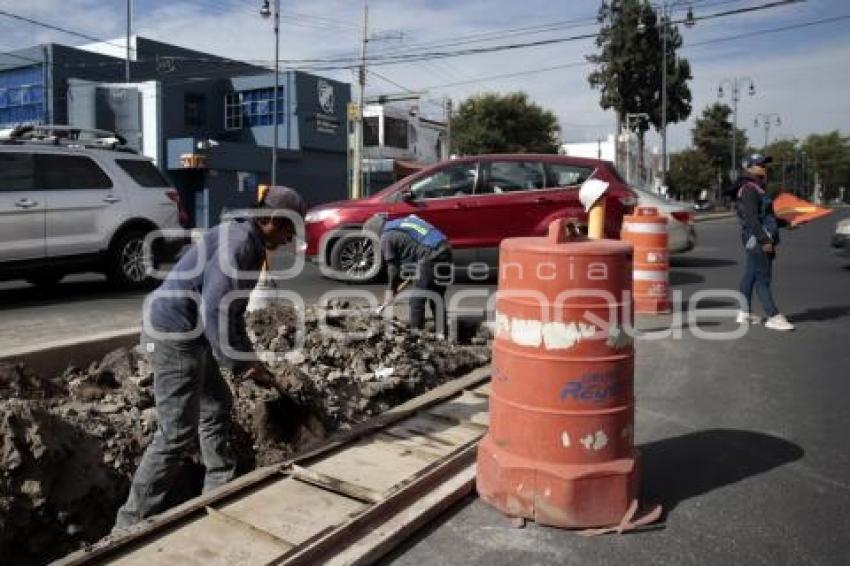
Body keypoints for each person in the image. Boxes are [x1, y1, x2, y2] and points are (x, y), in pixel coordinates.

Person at [114, 186, 307, 529]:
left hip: (190, 331)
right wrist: (240, 363)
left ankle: (218, 484)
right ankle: (129, 524)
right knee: (176, 434)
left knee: (216, 403)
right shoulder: (240, 245)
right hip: (174, 335)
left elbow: (230, 314)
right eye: (289, 231)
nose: (290, 240)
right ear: (274, 220)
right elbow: (217, 311)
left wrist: (249, 358)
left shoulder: (243, 235)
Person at [734, 155, 794, 331]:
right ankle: (773, 316)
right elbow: (752, 219)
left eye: (764, 164)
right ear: (748, 168)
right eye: (759, 165)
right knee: (763, 278)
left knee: (751, 275)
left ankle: (744, 313)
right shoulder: (749, 189)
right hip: (758, 238)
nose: (764, 167)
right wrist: (764, 240)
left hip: (756, 238)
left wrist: (788, 223)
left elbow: (767, 217)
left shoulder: (756, 188)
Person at [364, 213, 452, 333]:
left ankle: (417, 336)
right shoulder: (402, 223)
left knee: (416, 301)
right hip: (445, 251)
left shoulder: (386, 237)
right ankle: (442, 333)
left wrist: (390, 290)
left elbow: (393, 269)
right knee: (436, 297)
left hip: (431, 257)